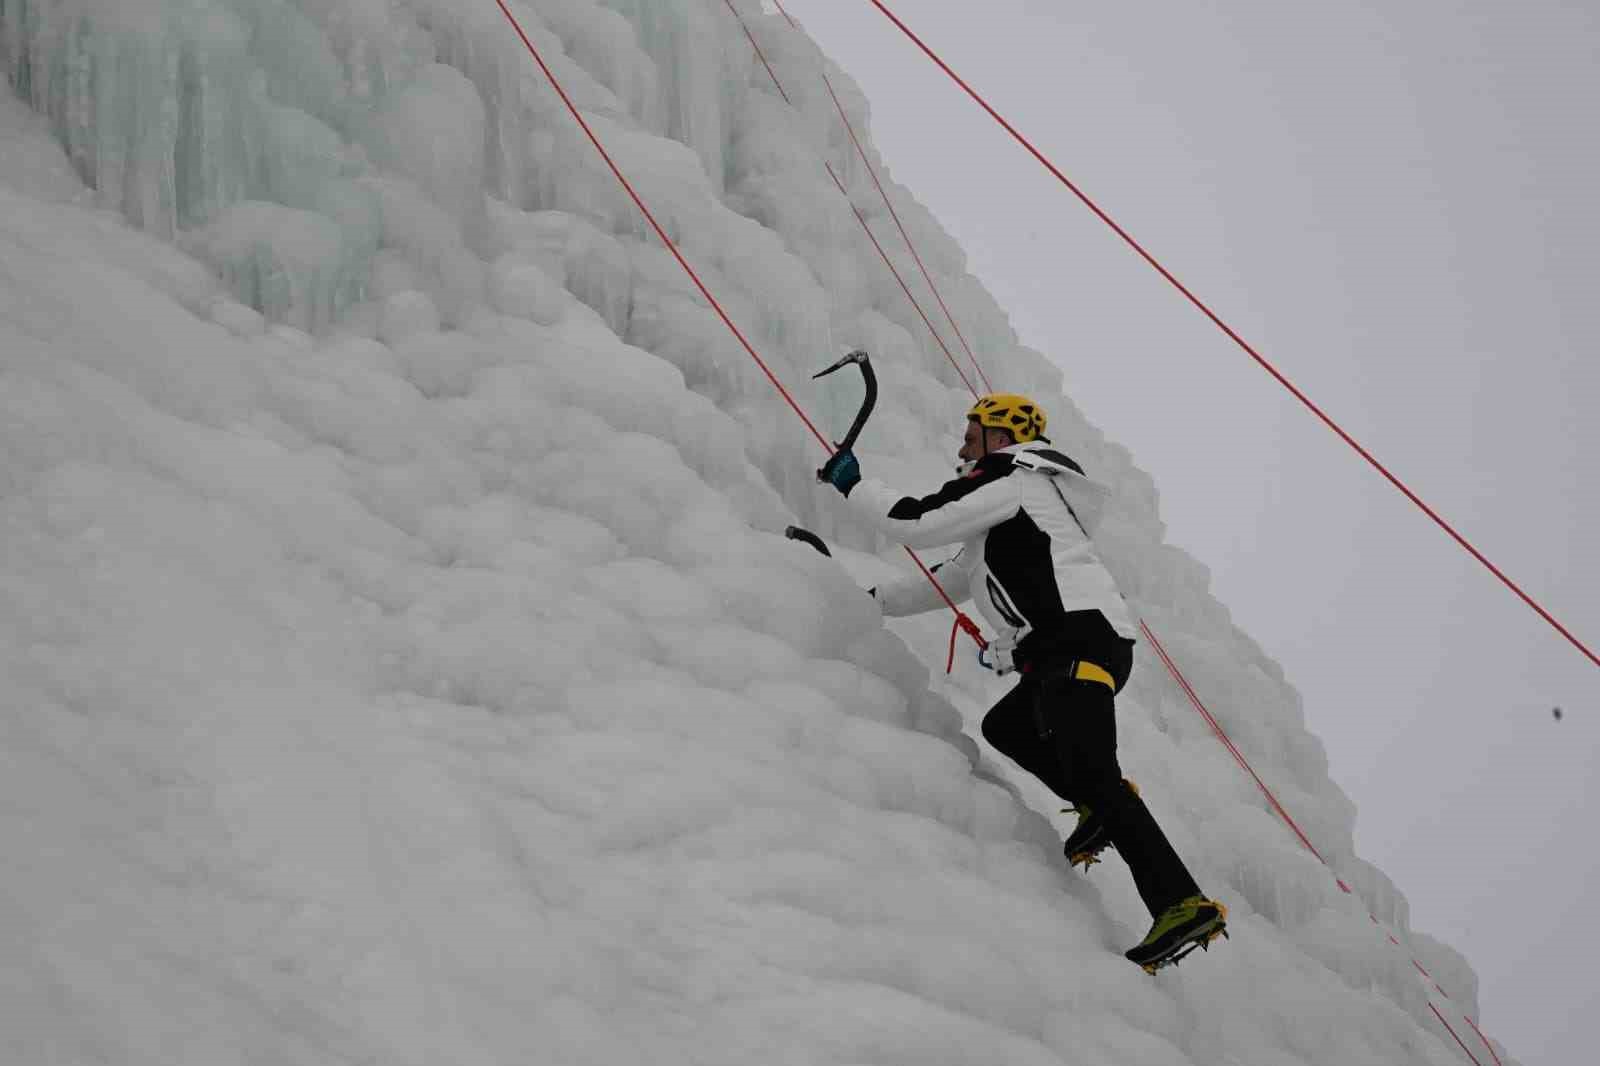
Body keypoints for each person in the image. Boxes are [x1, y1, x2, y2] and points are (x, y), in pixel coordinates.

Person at [817, 392, 1226, 971]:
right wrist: (861, 601)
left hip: (1076, 644)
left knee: (1095, 772)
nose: (962, 445)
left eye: (972, 432)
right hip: (1070, 651)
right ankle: (1098, 804)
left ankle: (1181, 901)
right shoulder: (1004, 520)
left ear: (1002, 437)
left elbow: (916, 521)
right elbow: (944, 582)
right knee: (1007, 725)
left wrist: (852, 484)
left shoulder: (1016, 480)